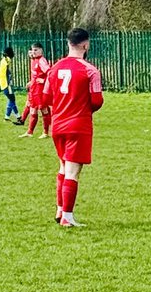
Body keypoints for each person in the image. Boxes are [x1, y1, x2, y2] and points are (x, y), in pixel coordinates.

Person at [42, 28, 103, 228]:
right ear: (86, 45)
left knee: (62, 167)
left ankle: (60, 209)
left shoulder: (54, 68)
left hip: (58, 126)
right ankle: (67, 216)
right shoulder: (90, 70)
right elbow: (97, 100)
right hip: (78, 125)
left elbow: (46, 98)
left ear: (68, 44)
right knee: (72, 172)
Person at [20, 43, 52, 137]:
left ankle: (45, 132)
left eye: (36, 50)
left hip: (40, 90)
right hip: (34, 89)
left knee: (43, 109)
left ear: (41, 50)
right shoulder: (34, 60)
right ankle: (30, 132)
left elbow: (50, 73)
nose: (33, 52)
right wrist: (31, 81)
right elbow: (36, 74)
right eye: (33, 50)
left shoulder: (42, 60)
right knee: (33, 109)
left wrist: (43, 80)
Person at [0, 46, 24, 124]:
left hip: (4, 84)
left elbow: (0, 71)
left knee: (11, 100)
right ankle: (15, 117)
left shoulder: (3, 61)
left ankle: (10, 117)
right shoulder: (7, 61)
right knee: (12, 100)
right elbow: (2, 71)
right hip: (7, 85)